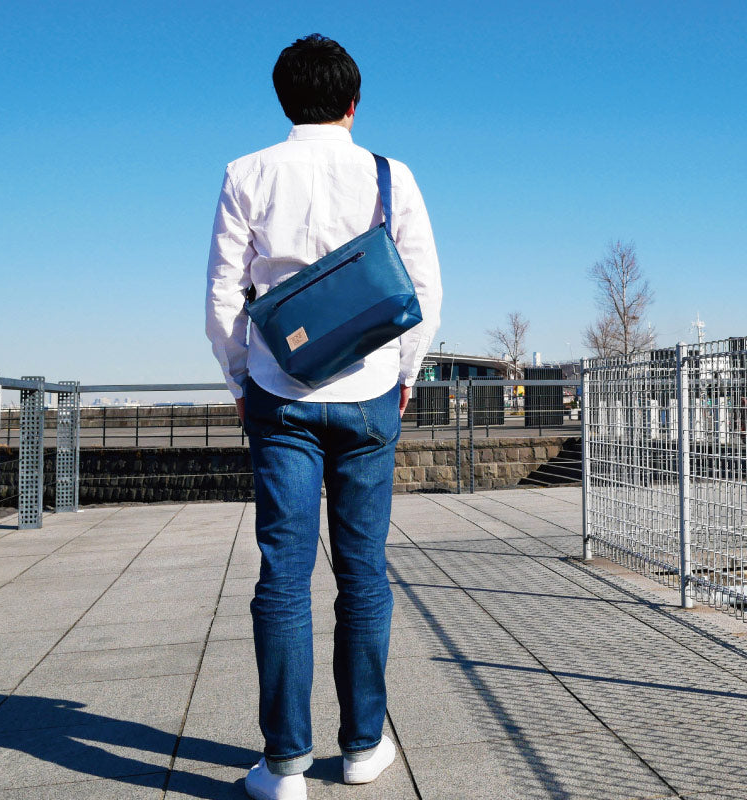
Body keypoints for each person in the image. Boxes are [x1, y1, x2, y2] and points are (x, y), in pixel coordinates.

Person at [205, 33, 442, 800]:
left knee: (284, 576)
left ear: (284, 99)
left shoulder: (246, 173)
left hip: (282, 393)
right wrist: (404, 375)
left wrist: (242, 380)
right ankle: (364, 747)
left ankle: (284, 769)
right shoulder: (389, 175)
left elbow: (222, 299)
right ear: (352, 103)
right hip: (370, 391)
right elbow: (425, 291)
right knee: (363, 574)